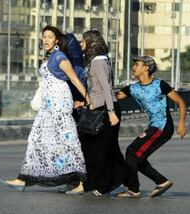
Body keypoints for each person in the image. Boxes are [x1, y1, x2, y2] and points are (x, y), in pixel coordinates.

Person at [0, 26, 88, 192]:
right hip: (48, 106)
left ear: (56, 40)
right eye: (44, 37)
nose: (46, 40)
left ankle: (81, 181)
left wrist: (87, 99)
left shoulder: (60, 57)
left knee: (67, 140)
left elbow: (75, 79)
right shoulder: (50, 56)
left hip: (59, 104)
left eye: (49, 37)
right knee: (36, 139)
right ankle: (23, 178)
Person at [116, 55, 186, 198]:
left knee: (132, 151)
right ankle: (161, 181)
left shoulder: (160, 85)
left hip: (163, 126)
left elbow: (181, 102)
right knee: (137, 157)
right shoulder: (133, 88)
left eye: (137, 64)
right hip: (154, 126)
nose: (133, 67)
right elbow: (115, 96)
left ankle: (133, 189)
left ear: (146, 68)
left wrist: (182, 123)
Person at [75, 30, 130, 196]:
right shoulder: (95, 60)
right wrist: (85, 102)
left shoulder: (99, 61)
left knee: (98, 149)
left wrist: (111, 111)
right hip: (98, 107)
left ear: (92, 42)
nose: (81, 44)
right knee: (100, 149)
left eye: (83, 41)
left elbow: (106, 87)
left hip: (105, 109)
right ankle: (101, 181)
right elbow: (96, 88)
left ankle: (103, 182)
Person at [64, 33, 87, 122]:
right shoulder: (80, 60)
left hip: (74, 104)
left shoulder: (74, 64)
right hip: (77, 103)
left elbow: (73, 81)